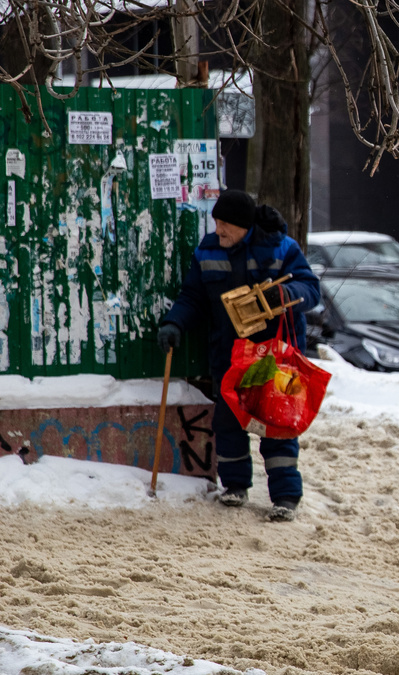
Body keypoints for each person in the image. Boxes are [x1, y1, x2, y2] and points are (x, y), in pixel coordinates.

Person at [156, 190, 321, 522]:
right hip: (230, 353)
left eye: (225, 224)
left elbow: (311, 290)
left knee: (277, 422)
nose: (219, 230)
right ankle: (234, 487)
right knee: (227, 422)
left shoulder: (281, 248)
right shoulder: (208, 250)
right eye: (217, 222)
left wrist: (285, 294)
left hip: (276, 354)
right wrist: (174, 323)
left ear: (244, 226)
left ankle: (286, 496)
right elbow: (193, 296)